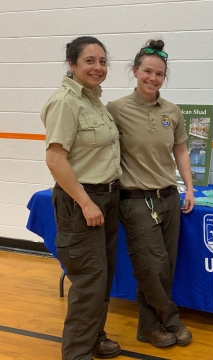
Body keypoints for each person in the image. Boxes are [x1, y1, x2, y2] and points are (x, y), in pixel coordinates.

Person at [106, 39, 195, 349]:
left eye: (159, 74)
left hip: (169, 197)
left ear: (164, 77)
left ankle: (147, 328)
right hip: (134, 200)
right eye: (147, 71)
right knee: (151, 266)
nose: (152, 78)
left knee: (164, 268)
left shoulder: (172, 111)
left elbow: (181, 150)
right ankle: (170, 319)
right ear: (135, 71)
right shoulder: (115, 109)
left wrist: (189, 188)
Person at [40, 36, 122, 360]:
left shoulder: (94, 100)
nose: (98, 67)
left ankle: (94, 337)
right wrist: (86, 202)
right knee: (89, 281)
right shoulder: (65, 102)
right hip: (82, 203)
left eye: (102, 61)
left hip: (107, 199)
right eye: (90, 61)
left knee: (102, 278)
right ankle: (76, 354)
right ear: (72, 64)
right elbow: (55, 159)